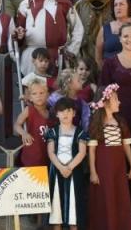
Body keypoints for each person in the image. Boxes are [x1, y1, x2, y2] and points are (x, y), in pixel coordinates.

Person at [15, 0, 84, 75]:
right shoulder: (25, 5)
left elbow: (78, 28)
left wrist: (72, 50)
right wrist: (19, 35)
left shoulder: (63, 2)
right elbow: (19, 33)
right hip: (32, 58)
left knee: (56, 90)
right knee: (33, 90)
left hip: (57, 57)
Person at [87, 84, 131, 230]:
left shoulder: (120, 122)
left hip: (119, 166)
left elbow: (126, 146)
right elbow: (92, 150)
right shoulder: (97, 123)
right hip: (103, 167)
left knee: (119, 195)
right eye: (115, 99)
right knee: (105, 196)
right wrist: (93, 172)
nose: (119, 102)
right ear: (106, 101)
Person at [43, 97, 88, 230]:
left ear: (74, 113)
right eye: (62, 111)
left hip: (74, 173)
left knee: (74, 212)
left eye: (69, 110)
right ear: (56, 114)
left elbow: (82, 152)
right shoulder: (52, 132)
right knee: (56, 210)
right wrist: (61, 168)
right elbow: (51, 152)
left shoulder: (80, 132)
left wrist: (69, 167)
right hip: (56, 172)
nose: (65, 114)